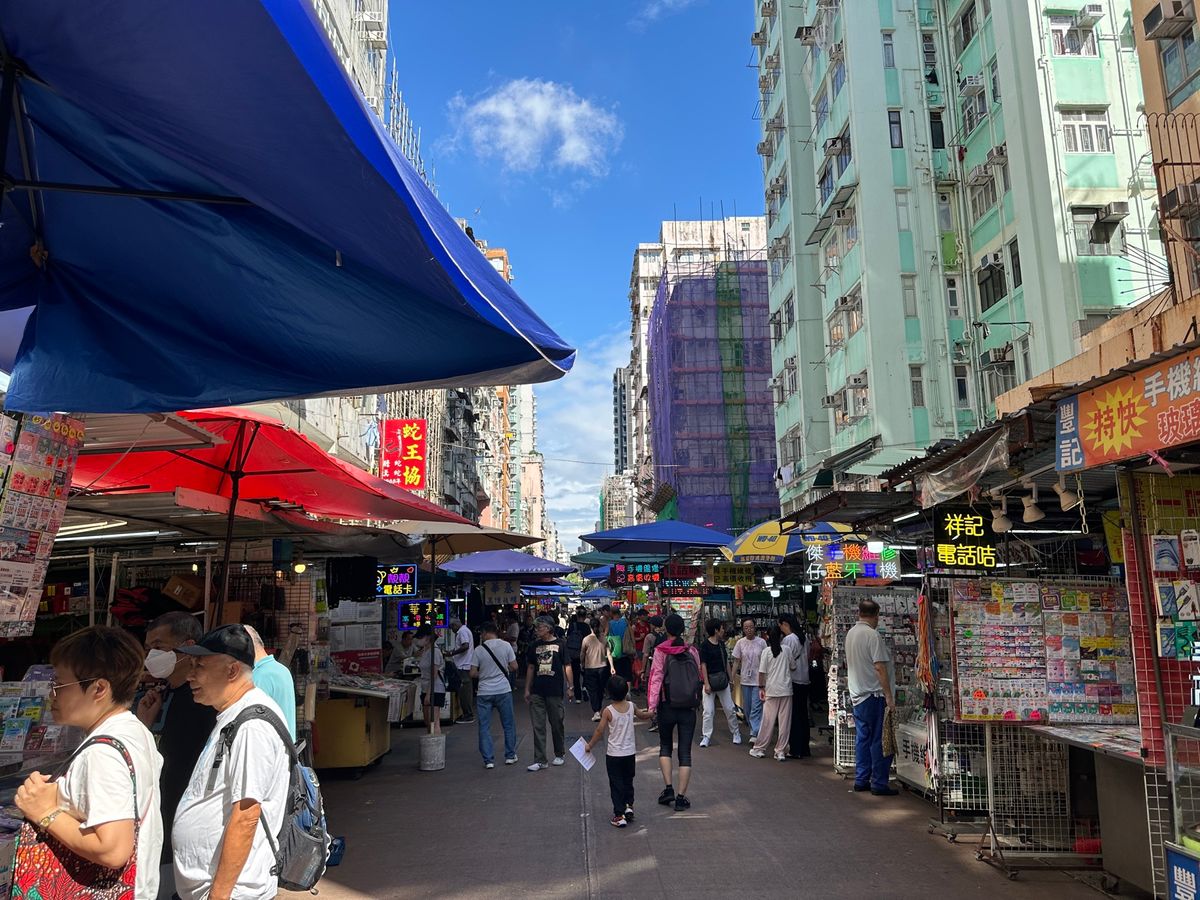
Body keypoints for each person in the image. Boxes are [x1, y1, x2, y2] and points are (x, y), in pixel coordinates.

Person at [12, 626, 164, 900]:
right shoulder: (132, 729)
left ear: (99, 688)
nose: (52, 695)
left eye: (59, 685)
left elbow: (112, 849)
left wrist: (44, 811)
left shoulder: (102, 753)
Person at [173, 624, 291, 900]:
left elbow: (246, 815)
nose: (190, 675)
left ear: (232, 671)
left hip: (233, 892)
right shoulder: (234, 714)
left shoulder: (252, 726)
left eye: (199, 666)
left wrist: (219, 895)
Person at [137, 611, 217, 900]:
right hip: (162, 820)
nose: (151, 654)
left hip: (189, 829)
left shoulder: (206, 703)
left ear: (187, 647)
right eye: (148, 647)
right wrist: (144, 724)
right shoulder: (164, 695)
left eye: (159, 646)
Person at [646, 613, 702, 812]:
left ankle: (668, 788)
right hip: (688, 708)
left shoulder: (661, 651)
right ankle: (681, 797)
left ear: (666, 629)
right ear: (682, 630)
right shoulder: (692, 651)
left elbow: (655, 679)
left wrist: (652, 707)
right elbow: (699, 677)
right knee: (685, 752)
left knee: (665, 746)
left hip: (666, 706)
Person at [845, 598, 898, 795]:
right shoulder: (872, 635)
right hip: (874, 695)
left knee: (863, 739)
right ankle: (879, 783)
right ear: (876, 615)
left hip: (857, 695)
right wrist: (889, 696)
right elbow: (879, 667)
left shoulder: (851, 634)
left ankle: (861, 779)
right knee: (880, 739)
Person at [584, 675, 652, 828]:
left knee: (616, 784)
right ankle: (629, 806)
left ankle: (619, 814)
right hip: (629, 753)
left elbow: (600, 730)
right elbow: (643, 715)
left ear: (608, 692)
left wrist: (589, 745)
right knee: (628, 780)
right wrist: (652, 712)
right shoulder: (631, 706)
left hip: (614, 754)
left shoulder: (608, 711)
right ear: (626, 690)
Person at [524, 616, 574, 771]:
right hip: (537, 691)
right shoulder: (534, 645)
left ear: (549, 628)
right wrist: (527, 688)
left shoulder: (561, 644)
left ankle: (559, 754)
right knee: (538, 725)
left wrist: (570, 687)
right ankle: (540, 759)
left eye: (540, 627)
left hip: (555, 690)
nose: (537, 630)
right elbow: (531, 667)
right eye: (537, 627)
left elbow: (567, 666)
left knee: (556, 723)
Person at [471, 622, 519, 768]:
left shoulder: (479, 650)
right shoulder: (506, 646)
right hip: (503, 690)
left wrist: (484, 674)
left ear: (485, 633)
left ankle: (489, 760)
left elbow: (472, 673)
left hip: (484, 692)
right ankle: (510, 756)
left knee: (484, 726)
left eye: (481, 634)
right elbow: (515, 666)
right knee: (508, 724)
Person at [242, 624, 298, 740]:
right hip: (284, 749)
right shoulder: (280, 669)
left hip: (270, 752)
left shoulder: (259, 676)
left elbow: (251, 727)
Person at [749, 625, 795, 761]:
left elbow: (761, 672)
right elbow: (793, 666)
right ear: (781, 637)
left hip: (771, 690)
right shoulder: (787, 650)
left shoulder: (766, 652)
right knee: (784, 723)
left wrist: (761, 687)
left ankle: (759, 748)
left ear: (767, 637)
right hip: (786, 690)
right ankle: (780, 750)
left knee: (767, 721)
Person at [698, 619, 742, 748]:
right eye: (722, 628)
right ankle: (706, 736)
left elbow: (726, 663)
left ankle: (736, 733)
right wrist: (706, 683)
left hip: (723, 681)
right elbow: (703, 665)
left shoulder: (722, 644)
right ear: (716, 630)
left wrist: (731, 679)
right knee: (708, 711)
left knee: (729, 708)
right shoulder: (705, 645)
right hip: (710, 681)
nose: (724, 630)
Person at [779, 613, 811, 759]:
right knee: (803, 714)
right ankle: (804, 748)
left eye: (780, 626)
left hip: (793, 680)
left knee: (794, 716)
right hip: (804, 679)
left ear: (785, 624)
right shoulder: (804, 638)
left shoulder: (788, 640)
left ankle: (795, 748)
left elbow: (785, 660)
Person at [732, 618, 767, 741]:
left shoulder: (762, 642)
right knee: (747, 708)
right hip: (745, 679)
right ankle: (754, 727)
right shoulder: (740, 643)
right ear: (743, 629)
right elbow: (736, 661)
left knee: (756, 707)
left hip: (758, 680)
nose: (749, 630)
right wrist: (732, 678)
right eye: (746, 628)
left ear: (755, 627)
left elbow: (765, 661)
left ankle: (754, 733)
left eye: (751, 627)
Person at [580, 618, 613, 722]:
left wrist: (582, 663)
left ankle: (596, 711)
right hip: (603, 668)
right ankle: (598, 709)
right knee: (600, 689)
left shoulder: (586, 639)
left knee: (593, 690)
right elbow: (609, 653)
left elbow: (582, 654)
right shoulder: (604, 638)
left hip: (590, 668)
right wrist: (612, 666)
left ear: (590, 627)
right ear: (599, 626)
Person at [414, 624, 446, 735]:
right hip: (426, 689)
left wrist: (429, 694)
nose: (418, 640)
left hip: (435, 690)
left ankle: (436, 749)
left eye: (420, 637)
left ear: (427, 637)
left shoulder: (435, 651)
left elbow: (434, 674)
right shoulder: (425, 651)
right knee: (428, 721)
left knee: (434, 722)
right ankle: (431, 744)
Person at [446, 617, 475, 724]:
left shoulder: (462, 631)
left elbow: (465, 646)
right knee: (466, 690)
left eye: (451, 628)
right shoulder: (465, 630)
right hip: (465, 664)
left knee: (464, 691)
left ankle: (468, 714)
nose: (452, 631)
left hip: (463, 665)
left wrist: (452, 653)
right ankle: (467, 713)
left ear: (454, 625)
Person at [642, 616, 666, 732]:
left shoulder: (649, 637)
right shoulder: (666, 636)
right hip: (665, 669)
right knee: (663, 695)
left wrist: (642, 670)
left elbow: (645, 655)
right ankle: (663, 719)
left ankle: (655, 720)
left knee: (652, 694)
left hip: (653, 669)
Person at [565, 610, 590, 703]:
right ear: (584, 616)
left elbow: (568, 637)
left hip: (574, 653)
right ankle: (584, 686)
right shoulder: (587, 627)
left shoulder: (572, 625)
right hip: (585, 653)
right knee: (586, 673)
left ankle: (578, 697)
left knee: (575, 675)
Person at [607, 607, 632, 682]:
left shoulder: (610, 623)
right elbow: (631, 635)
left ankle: (619, 688)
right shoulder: (625, 621)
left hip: (615, 651)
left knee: (617, 672)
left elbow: (606, 634)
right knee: (627, 673)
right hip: (626, 649)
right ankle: (628, 692)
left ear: (612, 613)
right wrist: (633, 646)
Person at [630, 611, 651, 691]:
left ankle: (642, 685)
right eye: (645, 615)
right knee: (637, 669)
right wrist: (640, 638)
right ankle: (636, 686)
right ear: (640, 616)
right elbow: (632, 640)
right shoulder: (635, 627)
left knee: (644, 668)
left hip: (646, 650)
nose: (646, 617)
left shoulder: (647, 625)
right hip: (638, 650)